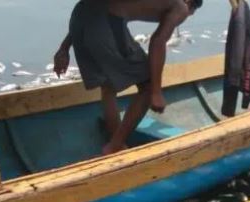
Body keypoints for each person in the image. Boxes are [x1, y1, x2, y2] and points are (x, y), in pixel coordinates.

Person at [54, 0, 203, 155]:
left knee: (108, 87)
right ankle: (114, 146)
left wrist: (64, 49)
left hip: (79, 16)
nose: (188, 14)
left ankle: (116, 145)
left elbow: (90, 9)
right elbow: (158, 41)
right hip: (106, 22)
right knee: (148, 85)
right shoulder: (181, 6)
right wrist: (156, 92)